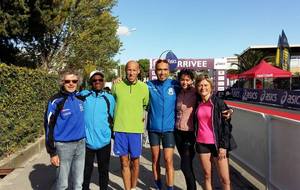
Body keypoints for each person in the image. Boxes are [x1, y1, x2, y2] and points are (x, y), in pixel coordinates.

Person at [44, 69, 85, 190]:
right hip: (63, 147)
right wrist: (52, 152)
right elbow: (48, 126)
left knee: (78, 183)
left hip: (81, 145)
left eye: (74, 81)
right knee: (62, 185)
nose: (71, 83)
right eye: (67, 81)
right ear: (62, 82)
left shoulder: (81, 98)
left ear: (78, 82)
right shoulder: (55, 101)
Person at [194, 75, 237, 190]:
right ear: (197, 87)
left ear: (211, 87)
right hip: (201, 143)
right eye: (200, 85)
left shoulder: (218, 103)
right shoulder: (197, 103)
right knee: (207, 176)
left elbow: (226, 126)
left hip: (218, 145)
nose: (203, 88)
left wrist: (223, 146)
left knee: (225, 179)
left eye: (206, 85)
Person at [112, 60, 149, 190]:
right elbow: (112, 103)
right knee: (124, 162)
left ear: (138, 71)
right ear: (125, 70)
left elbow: (145, 105)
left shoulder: (144, 88)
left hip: (135, 130)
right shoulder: (117, 86)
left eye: (134, 70)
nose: (131, 72)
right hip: (120, 129)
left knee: (135, 162)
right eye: (129, 70)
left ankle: (133, 188)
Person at [147, 59, 179, 190]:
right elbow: (133, 86)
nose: (162, 72)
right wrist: (119, 80)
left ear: (169, 71)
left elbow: (198, 92)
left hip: (169, 129)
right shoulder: (148, 85)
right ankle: (158, 185)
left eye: (165, 69)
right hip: (153, 129)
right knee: (155, 159)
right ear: (155, 71)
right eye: (159, 69)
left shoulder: (175, 84)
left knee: (168, 160)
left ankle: (170, 187)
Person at [81, 70, 115, 190]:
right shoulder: (83, 95)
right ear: (91, 82)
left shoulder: (109, 98)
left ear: (103, 81)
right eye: (94, 80)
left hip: (104, 142)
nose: (97, 82)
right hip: (87, 142)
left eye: (100, 80)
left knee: (103, 171)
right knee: (86, 172)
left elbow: (113, 117)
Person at [174, 69, 197, 190]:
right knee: (187, 164)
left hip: (190, 134)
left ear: (192, 80)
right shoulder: (178, 92)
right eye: (182, 79)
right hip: (178, 133)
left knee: (185, 166)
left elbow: (211, 100)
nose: (185, 82)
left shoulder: (196, 92)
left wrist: (229, 110)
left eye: (187, 79)